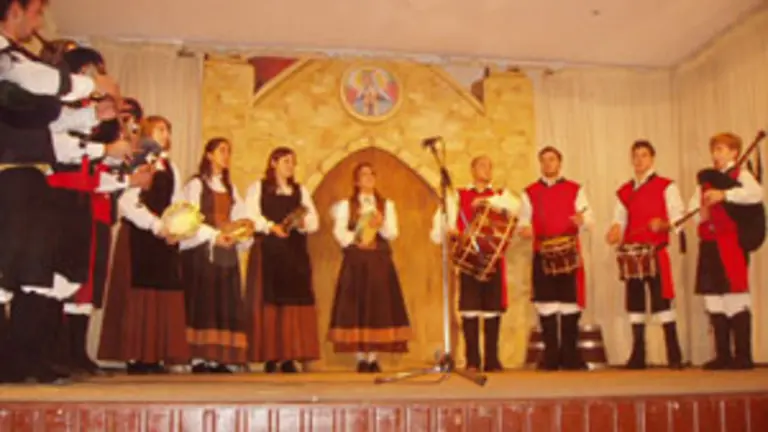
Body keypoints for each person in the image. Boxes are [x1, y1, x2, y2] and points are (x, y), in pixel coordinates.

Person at [0, 0, 118, 384]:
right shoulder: (9, 61)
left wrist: (91, 116)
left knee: (37, 274)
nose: (39, 23)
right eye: (35, 13)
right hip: (11, 174)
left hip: (27, 175)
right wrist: (90, 85)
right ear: (14, 9)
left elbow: (41, 122)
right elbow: (35, 82)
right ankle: (18, 361)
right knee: (15, 275)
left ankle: (25, 361)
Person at [97, 116, 190, 374]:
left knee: (163, 292)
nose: (165, 133)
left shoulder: (171, 167)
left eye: (167, 129)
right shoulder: (138, 160)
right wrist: (155, 225)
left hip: (164, 238)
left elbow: (178, 201)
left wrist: (177, 227)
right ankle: (137, 355)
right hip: (140, 234)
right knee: (140, 294)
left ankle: (156, 354)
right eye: (160, 128)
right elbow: (127, 201)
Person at [429, 155, 520, 372]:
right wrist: (449, 231)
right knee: (469, 309)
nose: (486, 169)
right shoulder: (457, 196)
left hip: (493, 259)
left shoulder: (501, 195)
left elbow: (517, 209)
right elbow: (438, 226)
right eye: (481, 165)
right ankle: (472, 359)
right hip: (469, 260)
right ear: (472, 169)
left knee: (492, 310)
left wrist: (487, 203)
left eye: (489, 165)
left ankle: (492, 359)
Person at [605, 140, 684, 370]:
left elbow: (679, 217)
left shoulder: (666, 186)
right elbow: (619, 221)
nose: (639, 160)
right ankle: (638, 355)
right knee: (635, 303)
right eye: (636, 156)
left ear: (652, 159)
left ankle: (674, 355)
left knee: (663, 303)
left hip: (655, 252)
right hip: (632, 254)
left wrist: (665, 224)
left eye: (644, 155)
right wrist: (614, 232)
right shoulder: (625, 191)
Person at [688, 132, 762, 370]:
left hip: (730, 244)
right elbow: (693, 209)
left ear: (734, 152)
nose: (716, 154)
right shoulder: (707, 180)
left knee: (735, 297)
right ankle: (723, 355)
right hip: (709, 244)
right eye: (714, 149)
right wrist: (702, 211)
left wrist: (725, 194)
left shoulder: (741, 175)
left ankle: (743, 355)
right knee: (714, 299)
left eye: (721, 149)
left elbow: (756, 195)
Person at [327, 162, 411, 373]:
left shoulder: (386, 205)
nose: (368, 178)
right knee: (356, 306)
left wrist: (381, 223)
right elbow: (339, 232)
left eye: (371, 174)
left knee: (378, 307)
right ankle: (360, 358)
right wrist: (355, 240)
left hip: (378, 261)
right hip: (356, 260)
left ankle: (373, 357)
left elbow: (393, 233)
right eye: (363, 175)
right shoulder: (347, 205)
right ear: (356, 180)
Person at [244, 147, 320, 373]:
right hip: (269, 251)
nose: (290, 166)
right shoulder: (259, 188)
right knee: (271, 304)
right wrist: (270, 227)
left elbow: (314, 219)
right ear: (273, 162)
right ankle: (270, 356)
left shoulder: (300, 191)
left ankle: (289, 356)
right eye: (286, 161)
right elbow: (251, 215)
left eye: (293, 162)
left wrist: (303, 223)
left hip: (294, 253)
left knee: (292, 305)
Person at [180, 137, 252, 373]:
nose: (226, 156)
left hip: (226, 252)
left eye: (228, 152)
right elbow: (190, 216)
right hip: (203, 250)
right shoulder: (197, 185)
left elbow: (241, 218)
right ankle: (200, 358)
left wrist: (239, 234)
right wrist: (213, 235)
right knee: (204, 303)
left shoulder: (232, 189)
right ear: (209, 155)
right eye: (221, 151)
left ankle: (222, 357)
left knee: (224, 305)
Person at [518, 146, 592, 370]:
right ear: (540, 164)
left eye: (552, 160)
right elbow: (523, 222)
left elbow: (589, 217)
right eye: (544, 160)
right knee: (546, 304)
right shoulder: (529, 192)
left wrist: (583, 220)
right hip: (542, 252)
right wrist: (525, 230)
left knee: (569, 303)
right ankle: (551, 357)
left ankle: (570, 356)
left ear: (560, 163)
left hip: (569, 251)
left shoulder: (575, 189)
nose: (548, 164)